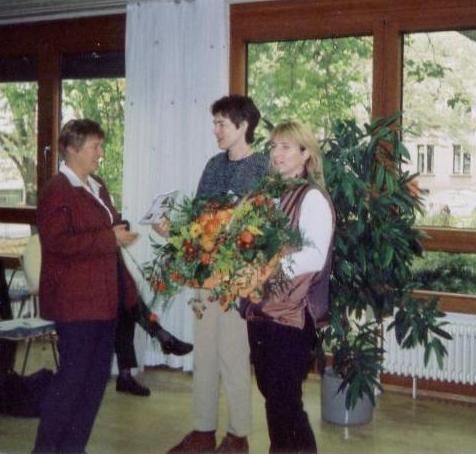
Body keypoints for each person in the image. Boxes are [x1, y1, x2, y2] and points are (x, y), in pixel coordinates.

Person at [32, 119, 192, 453]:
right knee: (71, 384)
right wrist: (109, 237)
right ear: (72, 149)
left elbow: (105, 224)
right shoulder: (56, 190)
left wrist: (124, 226)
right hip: (76, 304)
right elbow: (58, 242)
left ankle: (73, 448)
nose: (101, 154)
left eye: (101, 147)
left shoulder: (95, 184)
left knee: (93, 385)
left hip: (103, 301)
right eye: (95, 147)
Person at [166, 95, 269, 453]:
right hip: (205, 278)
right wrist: (174, 232)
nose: (216, 130)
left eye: (221, 123)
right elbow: (197, 219)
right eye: (214, 123)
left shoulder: (263, 167)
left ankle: (239, 435)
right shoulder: (212, 165)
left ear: (243, 126)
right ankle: (203, 431)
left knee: (234, 357)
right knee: (205, 356)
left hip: (239, 281)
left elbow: (266, 228)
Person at [242, 120, 335, 454]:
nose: (276, 154)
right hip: (262, 312)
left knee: (284, 401)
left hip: (293, 315)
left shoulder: (312, 198)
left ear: (305, 154)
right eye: (273, 146)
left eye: (285, 147)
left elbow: (314, 256)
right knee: (274, 396)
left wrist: (267, 270)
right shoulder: (268, 194)